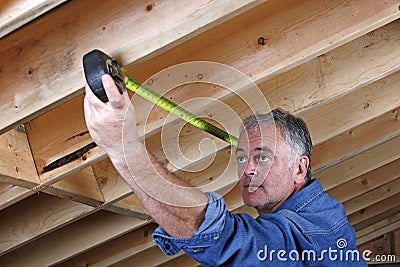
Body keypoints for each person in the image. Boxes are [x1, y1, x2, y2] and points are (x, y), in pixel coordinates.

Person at [84, 74, 366, 266]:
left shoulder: (315, 233)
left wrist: (123, 148)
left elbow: (225, 238)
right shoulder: (316, 215)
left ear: (299, 168)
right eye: (242, 158)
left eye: (263, 157)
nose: (249, 170)